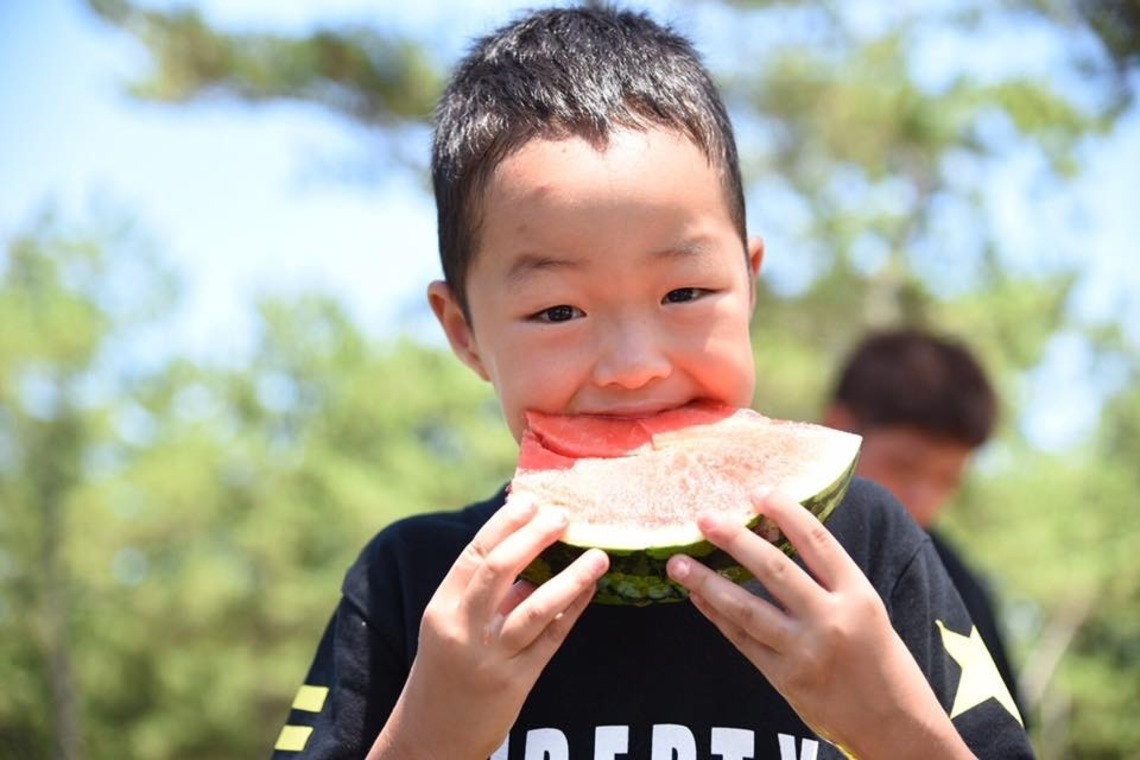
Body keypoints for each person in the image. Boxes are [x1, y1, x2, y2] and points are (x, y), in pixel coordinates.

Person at [270, 6, 1033, 759]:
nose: (635, 363)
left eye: (684, 294)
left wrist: (891, 725)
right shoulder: (411, 583)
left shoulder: (864, 548)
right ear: (465, 332)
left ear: (749, 280)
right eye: (559, 309)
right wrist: (432, 734)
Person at [822, 327, 1028, 724]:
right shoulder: (745, 543)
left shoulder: (963, 592)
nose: (924, 501)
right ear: (837, 426)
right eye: (905, 466)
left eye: (947, 480)